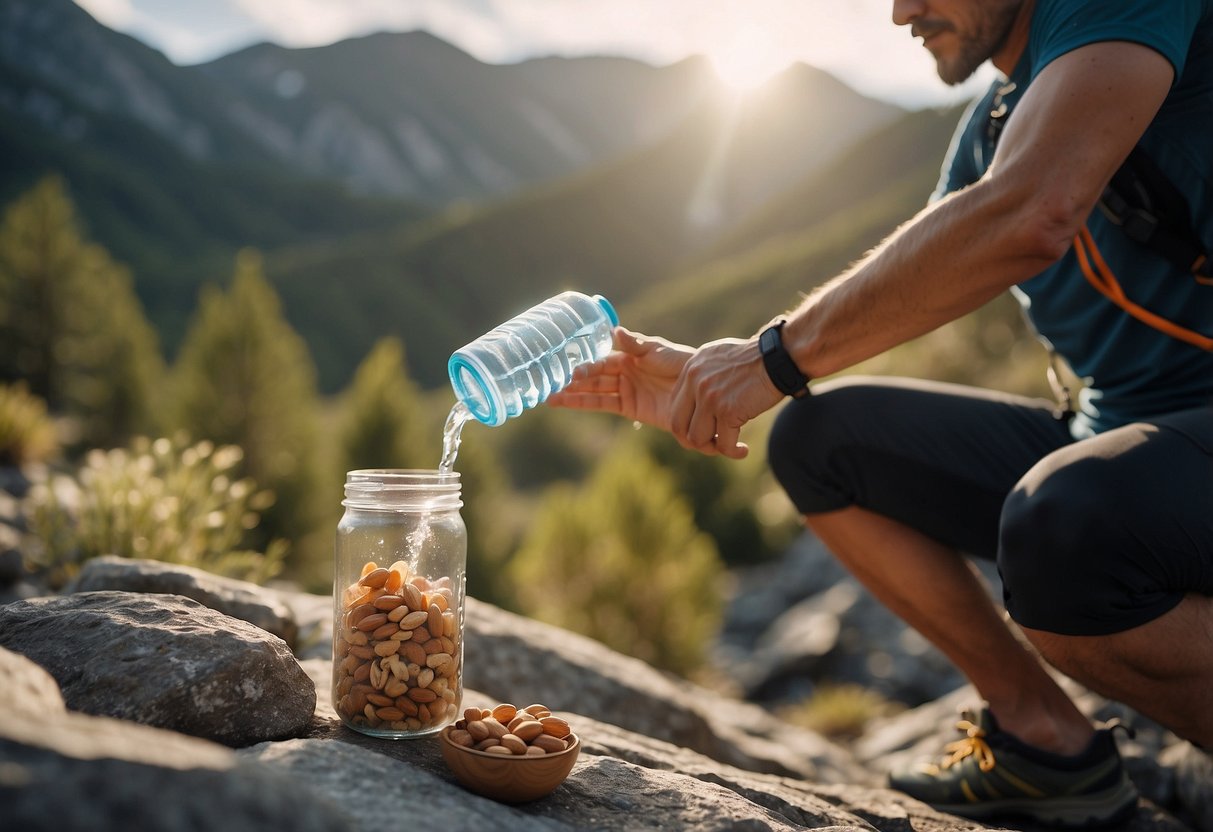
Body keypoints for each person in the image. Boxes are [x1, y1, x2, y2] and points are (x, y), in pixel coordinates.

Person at [548, 0, 1213, 826]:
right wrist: (707, 377)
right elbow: (928, 266)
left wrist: (770, 359)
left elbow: (1030, 212)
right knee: (820, 441)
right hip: (1131, 446)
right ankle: (1045, 746)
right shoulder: (988, 130)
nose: (900, 11)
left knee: (1067, 526)